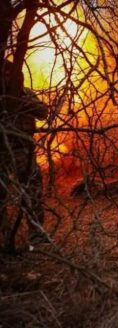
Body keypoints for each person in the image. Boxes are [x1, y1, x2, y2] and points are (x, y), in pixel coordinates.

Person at [0, 60, 48, 245]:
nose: (7, 77)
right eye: (3, 73)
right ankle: (6, 236)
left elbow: (43, 112)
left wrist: (19, 99)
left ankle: (37, 233)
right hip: (2, 151)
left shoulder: (25, 93)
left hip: (23, 150)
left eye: (10, 73)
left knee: (32, 189)